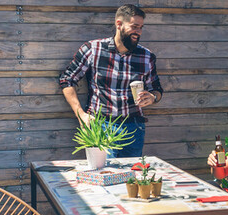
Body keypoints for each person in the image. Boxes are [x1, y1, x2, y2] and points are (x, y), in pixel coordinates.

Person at [58, 4, 163, 158]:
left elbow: (157, 89)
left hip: (134, 127)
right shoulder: (93, 49)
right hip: (100, 126)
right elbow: (67, 80)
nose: (138, 32)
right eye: (134, 26)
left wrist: (153, 97)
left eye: (141, 27)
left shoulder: (147, 56)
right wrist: (81, 114)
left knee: (131, 178)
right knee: (104, 176)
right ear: (119, 24)